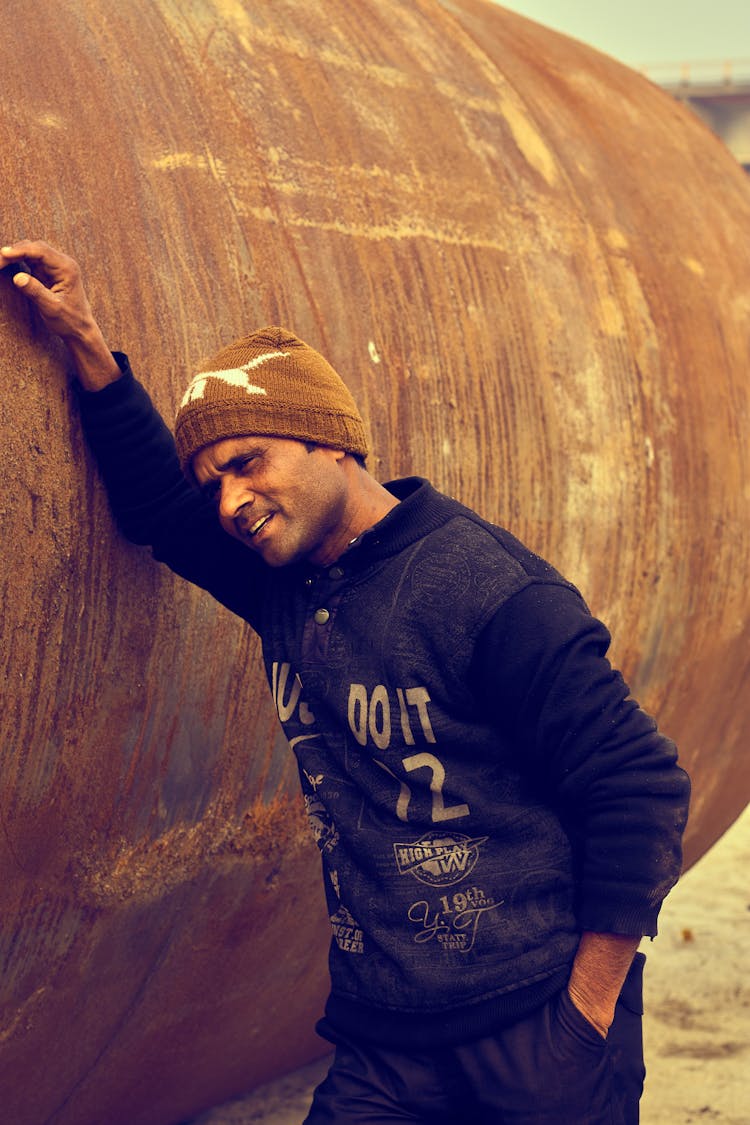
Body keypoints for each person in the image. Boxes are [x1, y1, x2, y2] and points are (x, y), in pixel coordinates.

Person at [1, 240, 690, 1125]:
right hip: (385, 1040)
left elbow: (639, 785)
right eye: (213, 480)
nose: (230, 502)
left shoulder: (487, 590)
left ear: (331, 439)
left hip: (535, 1026)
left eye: (248, 461)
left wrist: (585, 1018)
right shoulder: (284, 577)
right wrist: (86, 342)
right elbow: (156, 511)